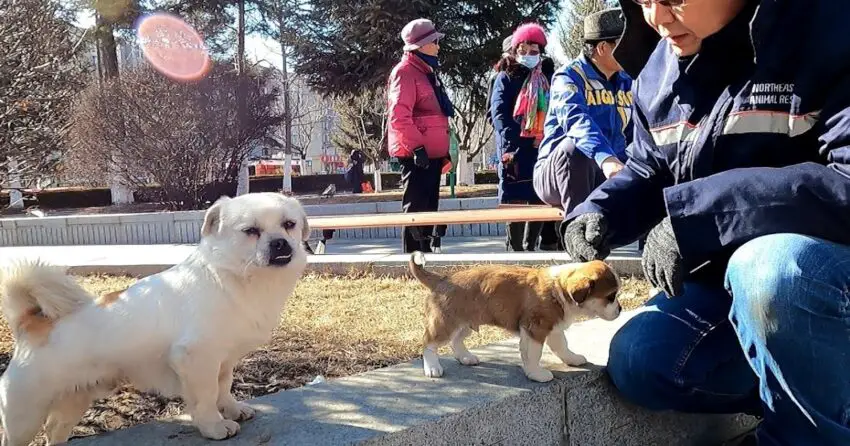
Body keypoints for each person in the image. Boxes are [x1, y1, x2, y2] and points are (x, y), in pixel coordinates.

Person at [562, 1, 850, 445]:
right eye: (643, 1)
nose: (657, 18)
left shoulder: (827, 29)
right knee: (641, 360)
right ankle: (811, 400)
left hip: (815, 280)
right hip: (733, 290)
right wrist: (600, 211)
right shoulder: (660, 66)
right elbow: (648, 167)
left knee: (769, 268)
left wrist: (702, 216)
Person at [533, 8, 633, 219]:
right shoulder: (568, 77)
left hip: (608, 170)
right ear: (603, 47)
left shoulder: (628, 81)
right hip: (557, 173)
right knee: (575, 148)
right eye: (624, 43)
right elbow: (576, 120)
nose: (633, 47)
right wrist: (606, 158)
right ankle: (579, 231)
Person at [387, 18, 454, 254]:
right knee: (416, 210)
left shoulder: (426, 72)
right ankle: (413, 260)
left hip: (430, 154)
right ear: (421, 45)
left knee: (428, 210)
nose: (438, 45)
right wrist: (417, 148)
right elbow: (398, 116)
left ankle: (425, 256)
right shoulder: (405, 73)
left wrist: (440, 150)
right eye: (434, 41)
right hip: (417, 155)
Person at [490, 23, 555, 252]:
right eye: (523, 51)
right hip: (514, 149)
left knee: (539, 195)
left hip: (541, 145)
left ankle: (531, 247)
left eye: (534, 51)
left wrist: (546, 137)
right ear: (515, 51)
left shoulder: (548, 77)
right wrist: (513, 142)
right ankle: (516, 249)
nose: (528, 55)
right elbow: (498, 114)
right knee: (514, 197)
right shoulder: (506, 77)